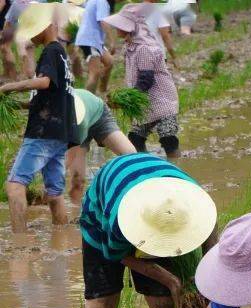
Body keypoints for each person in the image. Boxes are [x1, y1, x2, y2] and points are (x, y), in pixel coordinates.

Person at [77, 152, 216, 308]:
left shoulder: (197, 205)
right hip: (102, 223)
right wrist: (171, 281)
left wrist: (206, 278)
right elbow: (116, 254)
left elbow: (211, 239)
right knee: (100, 306)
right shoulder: (117, 220)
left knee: (164, 306)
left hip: (163, 208)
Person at [1, 2, 76, 233]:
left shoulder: (51, 51)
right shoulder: (61, 54)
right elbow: (52, 94)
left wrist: (9, 87)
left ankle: (20, 242)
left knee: (14, 186)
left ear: (45, 27)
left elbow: (43, 82)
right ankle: (62, 238)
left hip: (43, 132)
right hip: (61, 132)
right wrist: (19, 104)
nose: (30, 36)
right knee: (54, 193)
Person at [101, 3, 179, 157]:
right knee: (135, 139)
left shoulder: (144, 49)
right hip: (146, 102)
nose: (116, 28)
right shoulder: (130, 46)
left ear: (130, 28)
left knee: (168, 137)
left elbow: (145, 80)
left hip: (162, 101)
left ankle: (176, 164)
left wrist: (125, 100)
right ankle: (146, 165)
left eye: (120, 25)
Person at [65, 88, 136, 204]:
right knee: (77, 180)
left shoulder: (78, 118)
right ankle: (77, 209)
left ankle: (130, 197)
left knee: (131, 156)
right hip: (74, 125)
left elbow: (69, 158)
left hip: (98, 114)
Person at [74, 0, 114, 93]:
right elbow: (103, 22)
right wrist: (112, 41)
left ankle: (102, 92)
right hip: (90, 40)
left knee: (109, 62)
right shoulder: (101, 1)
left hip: (95, 40)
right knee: (95, 73)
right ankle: (87, 99)